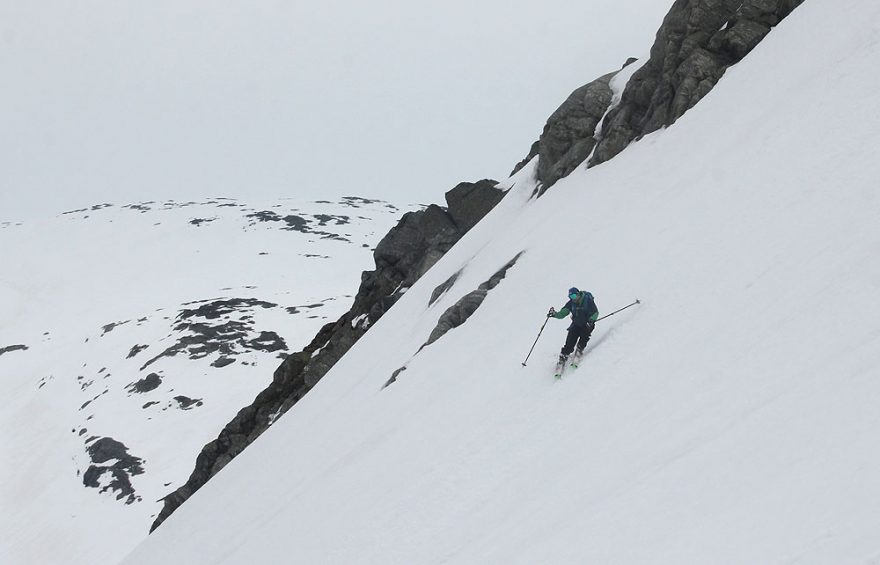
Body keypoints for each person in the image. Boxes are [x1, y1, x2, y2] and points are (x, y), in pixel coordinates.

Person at [548, 287, 598, 364]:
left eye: (574, 296)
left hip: (587, 323)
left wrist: (591, 320)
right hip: (576, 324)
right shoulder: (571, 303)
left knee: (584, 336)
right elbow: (562, 313)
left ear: (578, 294)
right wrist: (555, 314)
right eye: (571, 297)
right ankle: (564, 355)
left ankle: (579, 350)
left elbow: (595, 312)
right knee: (570, 339)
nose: (573, 298)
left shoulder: (587, 301)